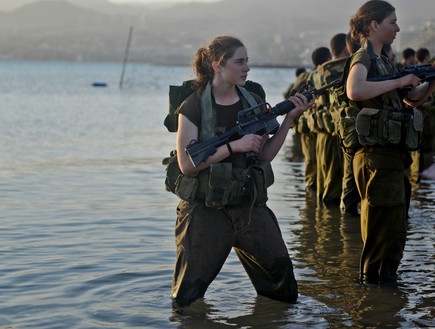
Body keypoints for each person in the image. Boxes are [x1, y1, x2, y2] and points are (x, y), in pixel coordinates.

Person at [172, 35, 312, 307]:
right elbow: (187, 165)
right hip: (206, 211)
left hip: (249, 206)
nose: (247, 67)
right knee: (187, 300)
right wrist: (234, 146)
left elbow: (266, 154)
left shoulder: (252, 100)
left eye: (247, 61)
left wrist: (289, 121)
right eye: (239, 61)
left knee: (283, 288)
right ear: (217, 65)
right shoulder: (192, 106)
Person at [346, 0, 435, 284]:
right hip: (376, 157)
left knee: (394, 231)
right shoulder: (364, 58)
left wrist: (430, 81)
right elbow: (355, 89)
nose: (397, 28)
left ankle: (383, 300)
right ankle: (372, 303)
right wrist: (398, 82)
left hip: (392, 158)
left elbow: (410, 99)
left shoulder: (385, 59)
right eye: (392, 22)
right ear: (374, 25)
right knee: (380, 234)